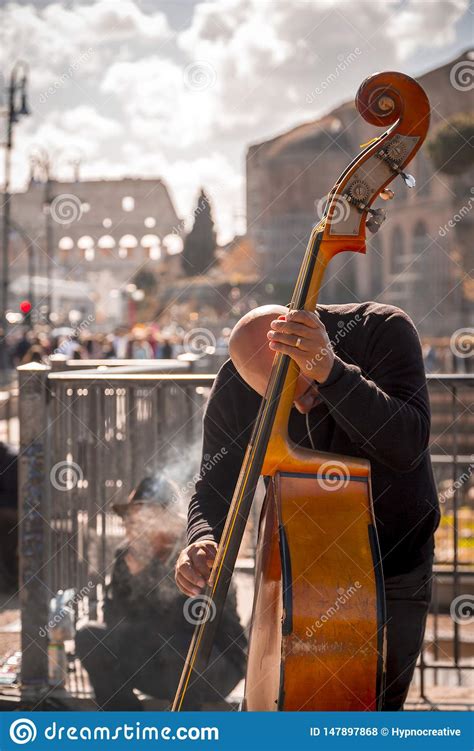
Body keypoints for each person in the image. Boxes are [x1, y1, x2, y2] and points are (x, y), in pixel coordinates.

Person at [175, 302, 440, 711]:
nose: (299, 407)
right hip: (290, 581)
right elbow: (214, 487)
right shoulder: (236, 379)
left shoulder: (381, 330)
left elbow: (406, 445)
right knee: (273, 717)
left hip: (392, 567)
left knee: (373, 715)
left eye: (308, 392)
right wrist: (202, 537)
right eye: (281, 400)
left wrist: (331, 374)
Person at [76, 475, 246, 710]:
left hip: (215, 666)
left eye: (143, 518)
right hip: (157, 663)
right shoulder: (126, 556)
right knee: (89, 636)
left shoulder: (197, 556)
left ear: (169, 521)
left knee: (177, 647)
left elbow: (196, 626)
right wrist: (134, 577)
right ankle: (126, 725)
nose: (131, 526)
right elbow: (116, 623)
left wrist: (151, 571)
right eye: (130, 519)